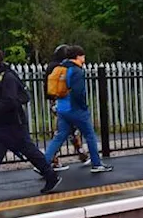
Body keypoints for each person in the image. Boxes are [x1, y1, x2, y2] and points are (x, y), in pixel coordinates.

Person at [0, 46, 60, 202]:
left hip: (14, 124)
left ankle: (51, 176)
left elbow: (10, 101)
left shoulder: (7, 77)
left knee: (30, 151)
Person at [43, 45, 111, 173]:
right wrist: (83, 106)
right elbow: (78, 92)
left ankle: (43, 164)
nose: (84, 58)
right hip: (75, 108)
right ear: (78, 56)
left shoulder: (60, 68)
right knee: (90, 135)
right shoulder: (76, 70)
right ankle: (96, 164)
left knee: (59, 136)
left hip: (62, 108)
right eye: (83, 55)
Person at [42, 44, 88, 171]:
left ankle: (81, 153)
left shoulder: (51, 66)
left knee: (69, 129)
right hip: (64, 102)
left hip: (54, 101)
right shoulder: (62, 67)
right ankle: (51, 160)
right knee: (63, 130)